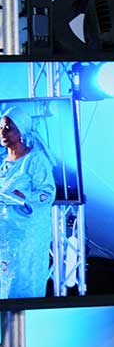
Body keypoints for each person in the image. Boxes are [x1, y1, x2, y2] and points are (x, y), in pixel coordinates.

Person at [0, 106, 56, 299]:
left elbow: (47, 193)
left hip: (26, 237)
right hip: (5, 236)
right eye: (1, 127)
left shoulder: (35, 160)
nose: (3, 132)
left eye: (8, 128)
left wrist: (24, 198)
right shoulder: (3, 162)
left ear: (21, 131)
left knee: (23, 282)